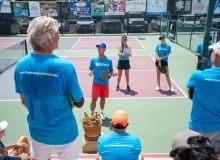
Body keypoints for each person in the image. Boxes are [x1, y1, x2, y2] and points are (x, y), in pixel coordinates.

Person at [13, 16, 84, 160]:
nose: (59, 35)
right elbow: (79, 102)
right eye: (57, 32)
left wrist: (40, 113)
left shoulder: (20, 66)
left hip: (38, 132)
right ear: (49, 38)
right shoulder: (65, 68)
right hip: (65, 133)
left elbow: (23, 100)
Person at [186, 41, 220, 156]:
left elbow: (189, 91)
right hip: (218, 129)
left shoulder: (198, 76)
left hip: (197, 127)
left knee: (196, 156)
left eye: (211, 52)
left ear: (215, 55)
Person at [88, 42, 117, 120]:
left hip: (105, 83)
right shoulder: (93, 60)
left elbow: (111, 70)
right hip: (96, 83)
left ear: (104, 49)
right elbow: (90, 68)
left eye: (100, 48)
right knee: (94, 99)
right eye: (98, 47)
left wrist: (113, 73)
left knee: (103, 98)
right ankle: (92, 113)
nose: (99, 49)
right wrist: (90, 72)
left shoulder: (109, 60)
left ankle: (101, 112)